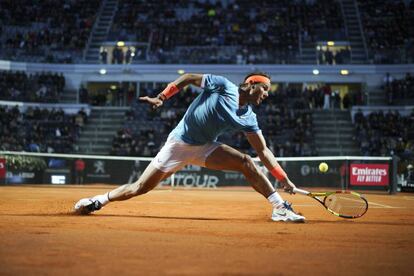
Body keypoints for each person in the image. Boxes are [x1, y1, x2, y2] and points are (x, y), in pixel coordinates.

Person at [74, 72, 305, 222]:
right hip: (178, 145)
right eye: (264, 89)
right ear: (251, 84)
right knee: (140, 187)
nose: (266, 95)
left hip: (205, 147)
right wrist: (162, 98)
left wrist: (283, 177)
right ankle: (98, 201)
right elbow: (187, 78)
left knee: (246, 161)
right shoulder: (224, 86)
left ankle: (279, 207)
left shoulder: (249, 118)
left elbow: (263, 151)